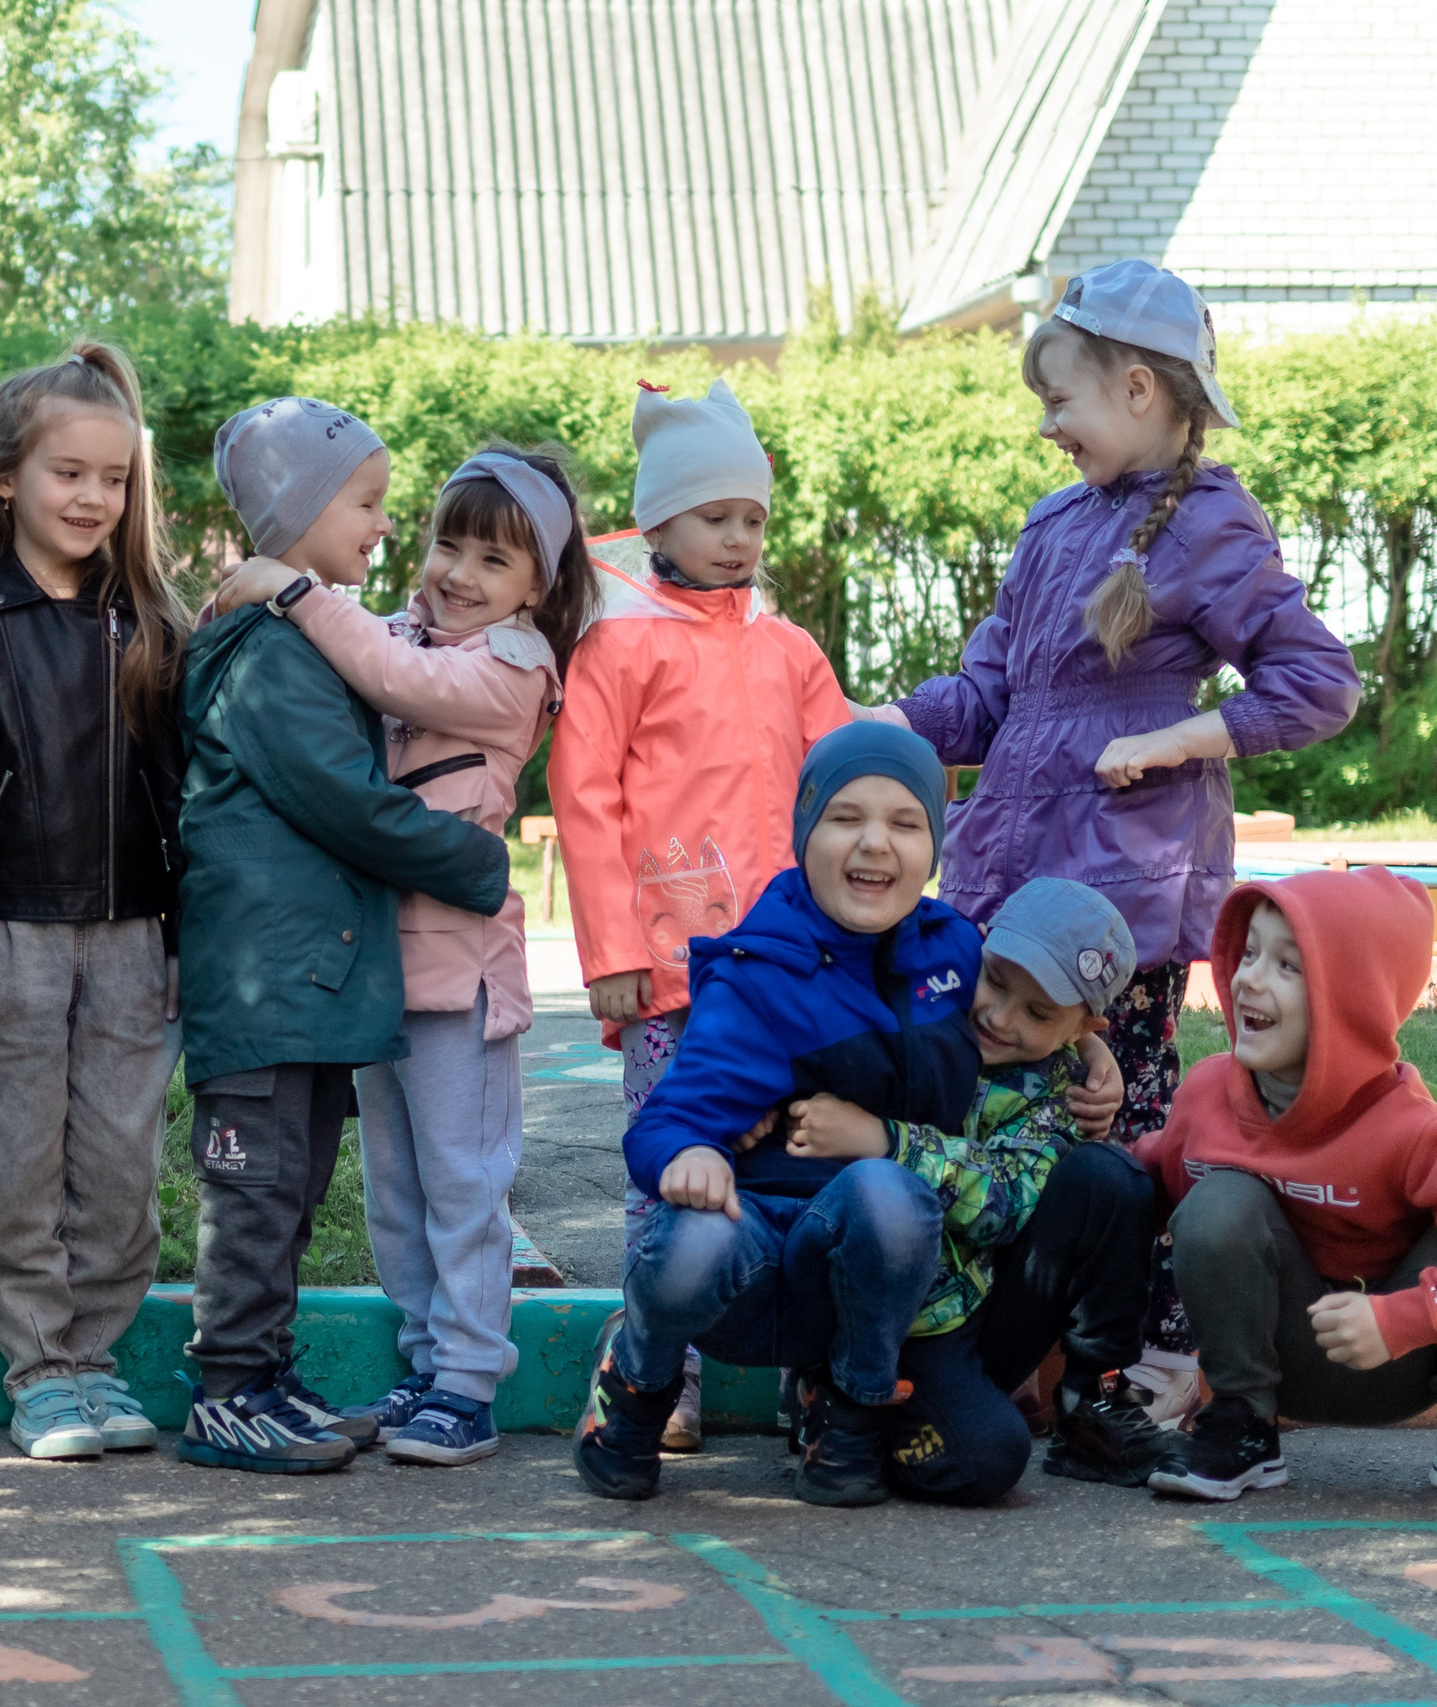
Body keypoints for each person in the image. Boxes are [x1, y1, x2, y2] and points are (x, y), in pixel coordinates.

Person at [876, 260, 1360, 1411]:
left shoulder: (1207, 526)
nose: (1047, 427)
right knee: (998, 1097)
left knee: (1126, 1116)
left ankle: (1142, 1356)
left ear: (1138, 388)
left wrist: (1183, 740)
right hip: (1009, 861)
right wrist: (883, 723)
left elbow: (1315, 682)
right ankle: (1012, 1346)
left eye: (1061, 401)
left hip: (1121, 889)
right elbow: (989, 695)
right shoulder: (1050, 528)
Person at [210, 445, 597, 1466]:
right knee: (396, 1190)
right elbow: (363, 660)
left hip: (459, 974)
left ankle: (469, 1379)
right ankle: (428, 1364)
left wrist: (292, 587)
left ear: (535, 590)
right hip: (377, 971)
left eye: (493, 562)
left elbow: (392, 677)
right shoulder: (401, 630)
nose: (457, 573)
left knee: (465, 1183)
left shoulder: (512, 666)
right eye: (445, 545)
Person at [175, 398, 512, 1474]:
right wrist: (476, 862)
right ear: (299, 508)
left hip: (308, 983)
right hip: (264, 981)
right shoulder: (272, 656)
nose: (382, 523)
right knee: (256, 1191)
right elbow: (348, 802)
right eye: (364, 502)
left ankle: (264, 1375)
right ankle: (226, 1387)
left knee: (292, 1188)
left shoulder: (306, 642)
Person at [571, 723, 987, 1505]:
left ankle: (847, 1408)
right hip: (753, 1263)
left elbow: (1024, 1028)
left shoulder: (956, 953)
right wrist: (690, 1156)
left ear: (935, 843)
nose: (874, 844)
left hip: (864, 1271)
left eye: (906, 823)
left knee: (890, 1193)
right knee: (694, 1237)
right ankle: (635, 1385)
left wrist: (1083, 1053)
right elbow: (660, 1125)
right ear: (804, 830)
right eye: (845, 818)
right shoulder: (761, 967)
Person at [546, 377, 846, 1444]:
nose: (737, 538)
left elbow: (846, 771)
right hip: (671, 967)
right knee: (663, 1167)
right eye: (715, 516)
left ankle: (812, 1375)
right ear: (660, 519)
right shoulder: (619, 644)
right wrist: (612, 949)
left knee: (802, 1171)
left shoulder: (789, 648)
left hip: (793, 973)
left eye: (753, 519)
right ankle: (647, 1368)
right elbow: (581, 802)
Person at [0, 345, 188, 1463]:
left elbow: (179, 794)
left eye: (112, 480)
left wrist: (183, 932)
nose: (91, 498)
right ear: (9, 480)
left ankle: (97, 1360)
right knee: (20, 1161)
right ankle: (39, 1369)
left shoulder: (151, 624)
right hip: (13, 933)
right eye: (68, 473)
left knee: (121, 1165)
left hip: (135, 936)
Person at [1138, 867, 1437, 1508]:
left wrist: (1402, 1318)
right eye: (1248, 954)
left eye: (1288, 967)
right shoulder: (1206, 1095)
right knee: (1218, 1201)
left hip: (1402, 1360)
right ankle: (1242, 1429)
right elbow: (1150, 1183)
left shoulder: (1410, 1128)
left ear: (1348, 998)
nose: (1249, 978)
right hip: (1275, 1360)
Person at [777, 878, 1166, 1503]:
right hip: (870, 1298)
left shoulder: (1063, 1090)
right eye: (996, 980)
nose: (1000, 1015)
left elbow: (1001, 1208)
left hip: (966, 1318)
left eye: (1039, 1013)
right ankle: (835, 1394)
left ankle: (1089, 1402)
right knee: (984, 1455)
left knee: (1109, 1178)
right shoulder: (922, 1007)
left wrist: (884, 1139)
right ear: (974, 951)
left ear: (1082, 1026)